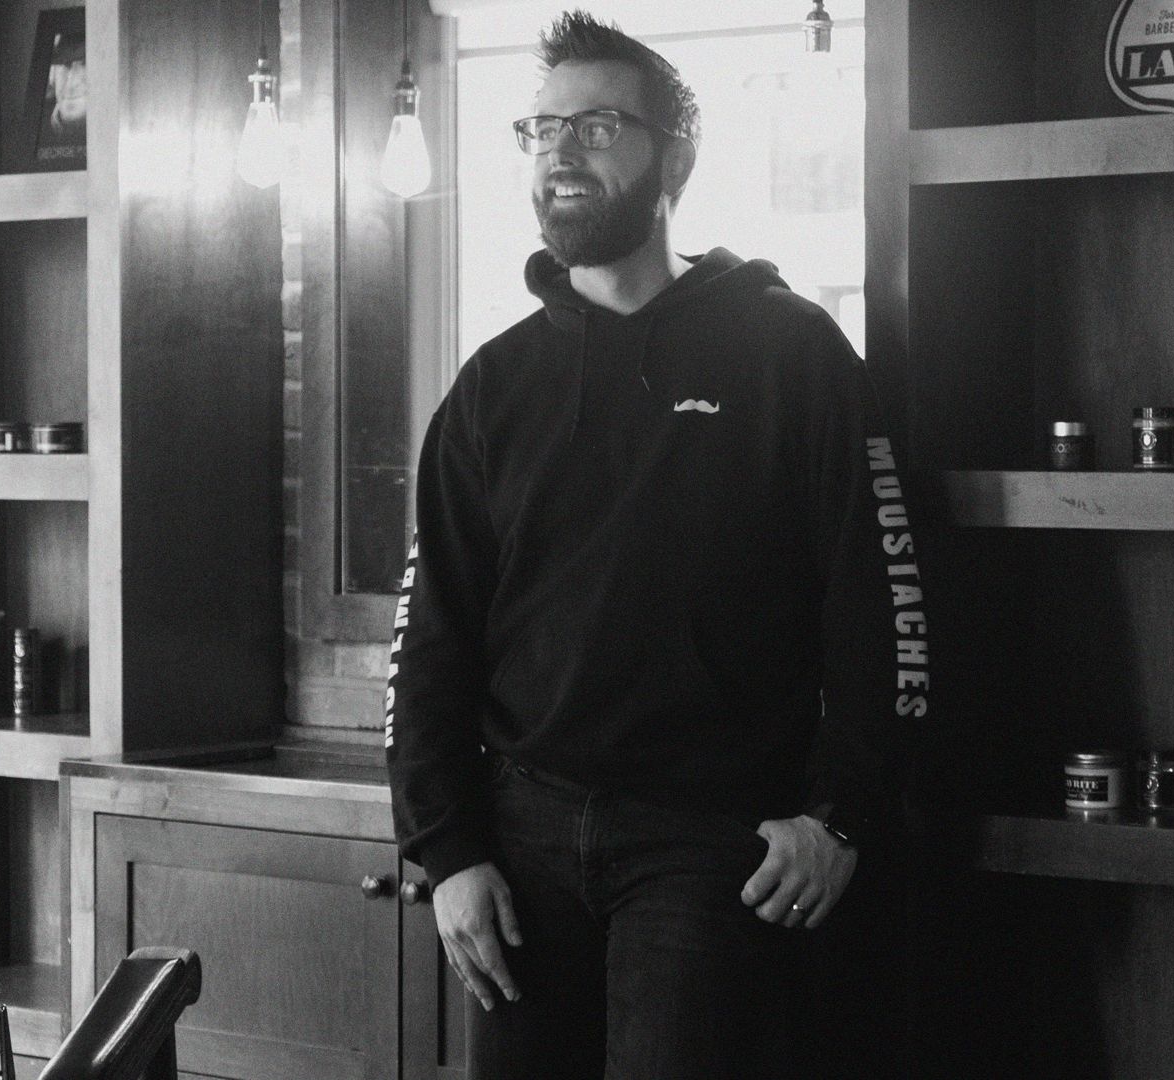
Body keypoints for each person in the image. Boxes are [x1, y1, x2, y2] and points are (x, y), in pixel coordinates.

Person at [384, 11, 925, 1079]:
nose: (558, 156)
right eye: (539, 132)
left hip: (708, 843)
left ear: (676, 154)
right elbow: (430, 639)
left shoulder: (792, 354)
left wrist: (843, 817)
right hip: (523, 841)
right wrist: (444, 851)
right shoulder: (492, 388)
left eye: (595, 127)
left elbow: (886, 607)